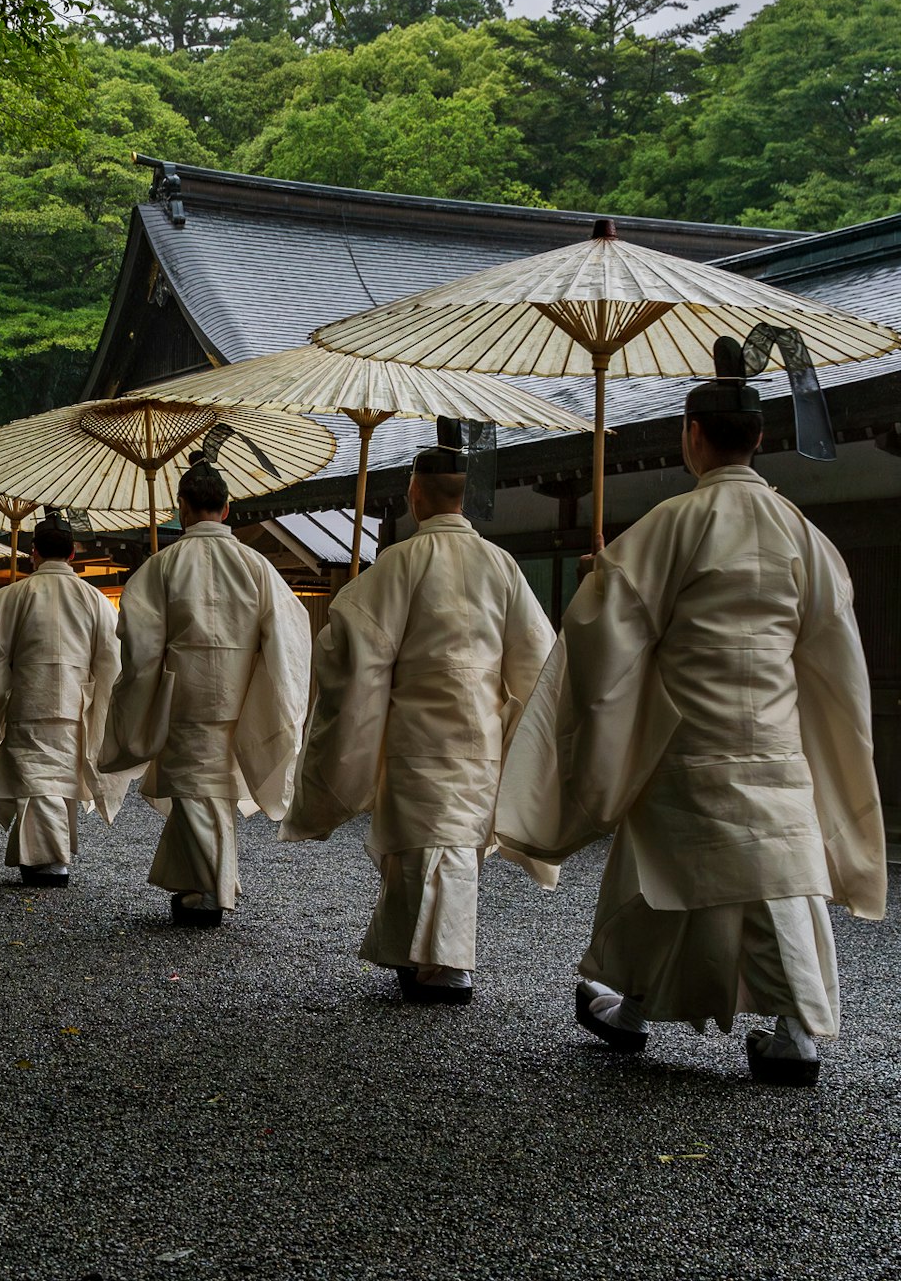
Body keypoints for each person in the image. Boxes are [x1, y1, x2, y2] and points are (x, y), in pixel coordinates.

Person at [497, 339, 888, 1087]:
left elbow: (605, 639)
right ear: (762, 440)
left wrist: (599, 584)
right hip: (772, 740)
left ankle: (640, 1011)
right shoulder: (804, 536)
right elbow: (832, 657)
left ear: (692, 435)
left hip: (686, 737)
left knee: (660, 873)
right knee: (776, 881)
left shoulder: (671, 526)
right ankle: (791, 1032)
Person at [281, 436, 555, 1003]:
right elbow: (538, 660)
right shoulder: (500, 565)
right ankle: (425, 957)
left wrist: (345, 617)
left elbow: (353, 653)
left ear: (414, 495)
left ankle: (444, 967)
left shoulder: (400, 562)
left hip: (414, 731)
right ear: (465, 497)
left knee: (427, 846)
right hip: (478, 730)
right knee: (447, 844)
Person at [100, 459, 312, 928]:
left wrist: (141, 692)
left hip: (182, 692)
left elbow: (139, 647)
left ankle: (212, 894)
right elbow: (289, 635)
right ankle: (198, 884)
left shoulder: (162, 567)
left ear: (182, 509)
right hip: (240, 694)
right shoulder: (257, 567)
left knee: (199, 791)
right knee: (204, 790)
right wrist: (273, 689)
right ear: (228, 507)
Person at [0, 516, 127, 886]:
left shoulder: (10, 597)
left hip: (28, 699)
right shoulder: (96, 600)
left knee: (39, 779)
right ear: (72, 553)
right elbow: (112, 662)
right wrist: (102, 708)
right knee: (57, 780)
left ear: (33, 553)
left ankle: (48, 861)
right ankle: (49, 857)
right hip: (75, 705)